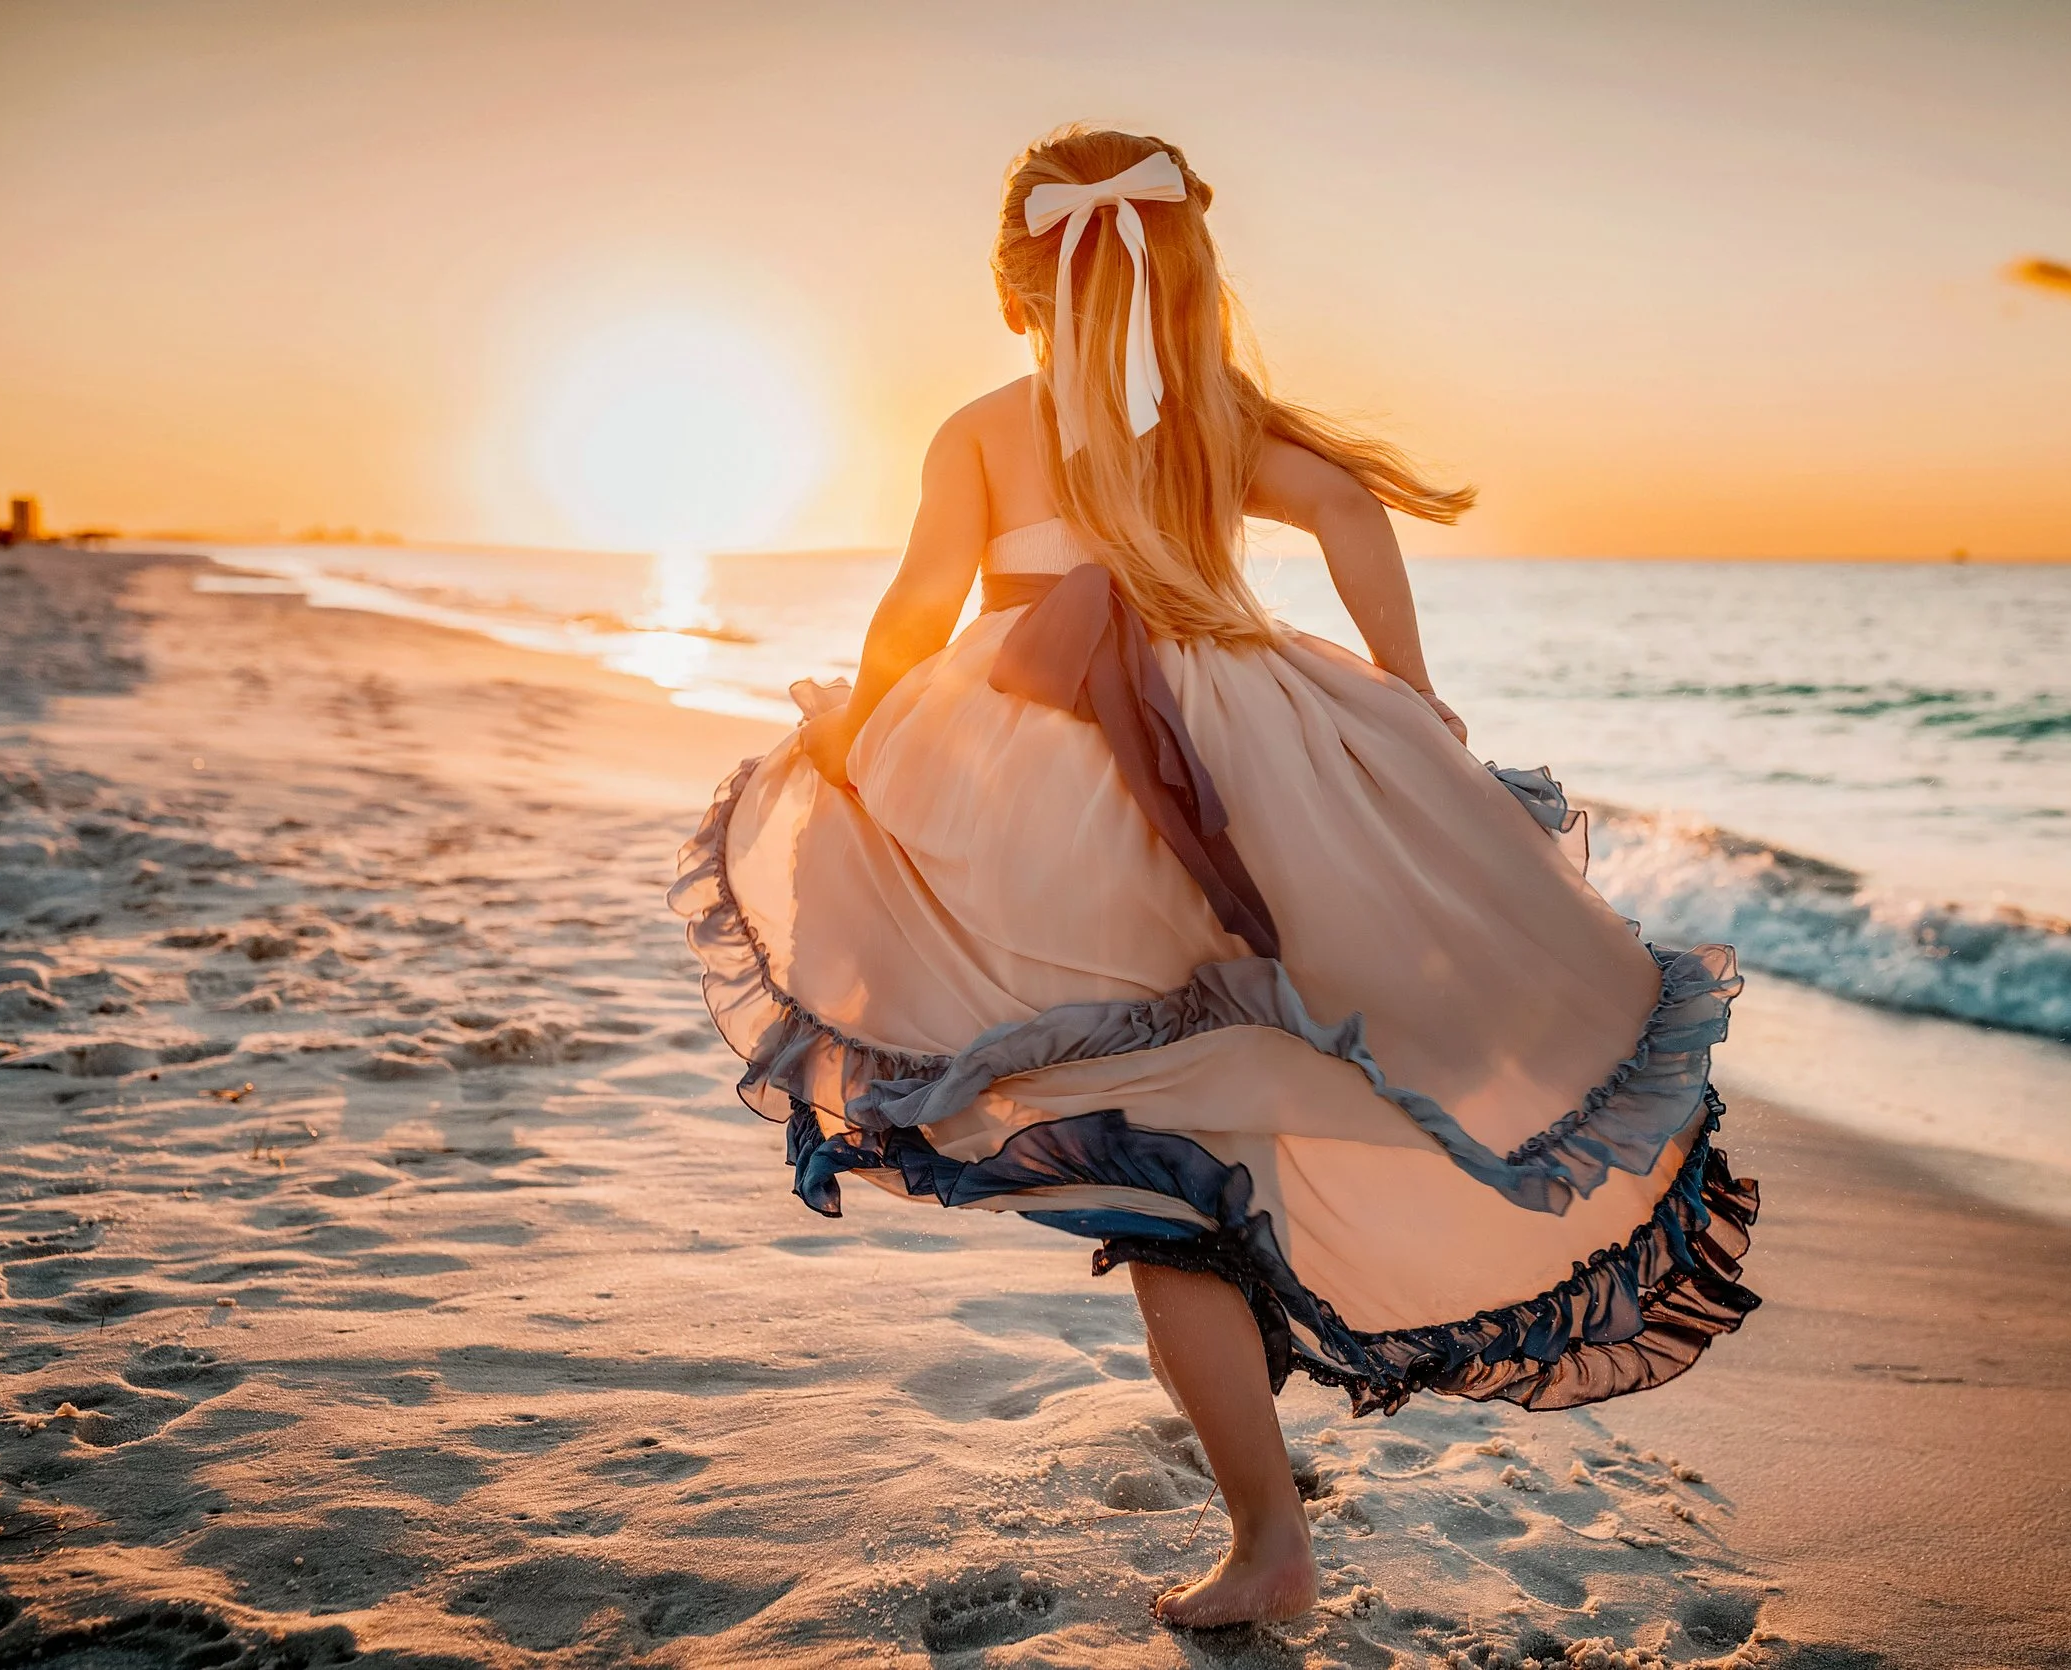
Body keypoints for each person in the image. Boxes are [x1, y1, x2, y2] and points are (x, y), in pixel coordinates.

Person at [670, 124, 1756, 1629]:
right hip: (1252, 762)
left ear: (1014, 286)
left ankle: (1268, 1529)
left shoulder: (985, 426)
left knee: (1142, 1142)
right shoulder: (1214, 419)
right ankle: (1263, 1481)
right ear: (1187, 274)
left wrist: (856, 736)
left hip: (1035, 790)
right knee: (1226, 1094)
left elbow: (921, 606)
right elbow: (1351, 513)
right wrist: (1410, 695)